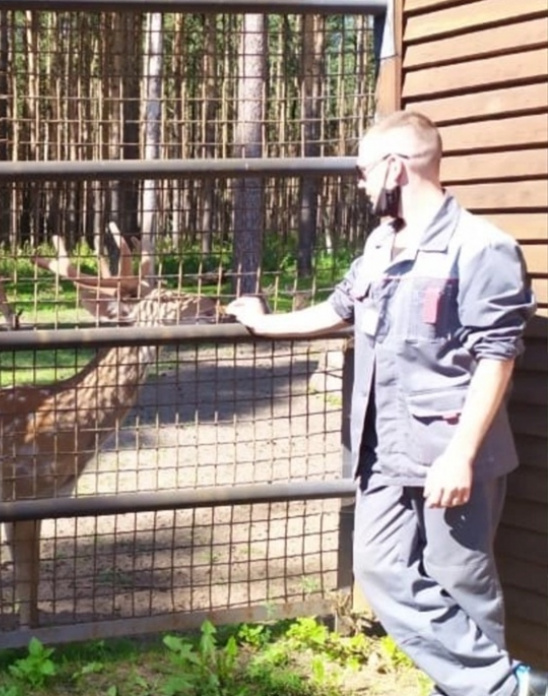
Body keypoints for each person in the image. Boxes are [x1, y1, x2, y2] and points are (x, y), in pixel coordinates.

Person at [224, 109, 544, 696]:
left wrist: (461, 457)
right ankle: (509, 689)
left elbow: (497, 358)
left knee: (462, 582)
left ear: (395, 168)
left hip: (451, 453)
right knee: (379, 567)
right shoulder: (379, 245)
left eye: (364, 169)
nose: (361, 181)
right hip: (383, 450)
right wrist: (266, 325)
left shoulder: (481, 248)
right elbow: (338, 309)